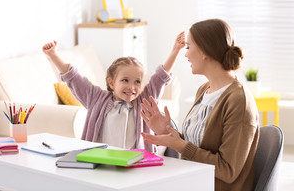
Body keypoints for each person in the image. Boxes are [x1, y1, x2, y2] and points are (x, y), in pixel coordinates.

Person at [140, 19, 259, 190]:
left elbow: (228, 170)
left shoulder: (239, 101)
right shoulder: (205, 89)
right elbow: (194, 147)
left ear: (204, 51)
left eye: (188, 47)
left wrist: (180, 145)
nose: (186, 54)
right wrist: (166, 130)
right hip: (191, 181)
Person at [42, 32, 185, 151]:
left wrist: (176, 50)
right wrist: (53, 55)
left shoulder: (144, 101)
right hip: (102, 160)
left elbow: (160, 78)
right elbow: (74, 78)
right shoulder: (96, 98)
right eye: (125, 80)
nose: (131, 87)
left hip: (134, 161)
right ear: (111, 83)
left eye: (137, 82)